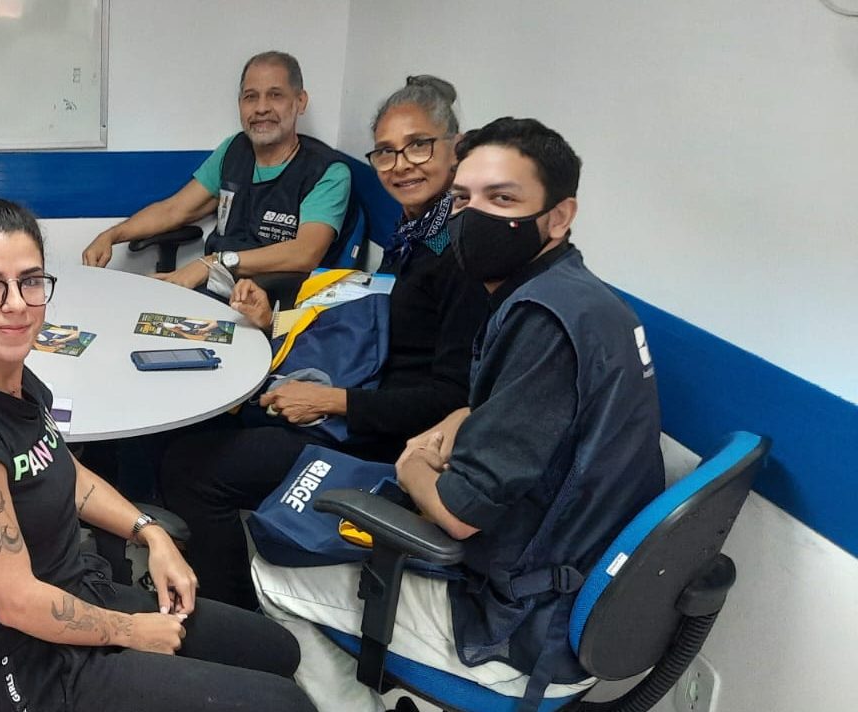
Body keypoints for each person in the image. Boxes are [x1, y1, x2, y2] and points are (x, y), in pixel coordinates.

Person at [252, 118, 665, 711]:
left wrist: (412, 458)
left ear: (559, 215)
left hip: (522, 629)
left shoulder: (539, 323)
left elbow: (458, 513)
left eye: (503, 199)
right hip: (576, 579)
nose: (474, 217)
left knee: (275, 563)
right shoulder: (578, 298)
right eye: (462, 198)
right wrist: (467, 413)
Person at [0, 199, 313, 712]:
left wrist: (151, 531)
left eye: (30, 281)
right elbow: (16, 602)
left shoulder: (10, 378)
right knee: (285, 705)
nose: (16, 304)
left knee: (277, 650)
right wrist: (133, 631)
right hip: (32, 663)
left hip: (80, 592)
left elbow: (61, 468)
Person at [159, 76, 489, 611]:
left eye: (419, 145)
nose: (401, 164)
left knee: (192, 471)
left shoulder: (463, 255)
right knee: (207, 418)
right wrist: (273, 325)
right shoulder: (415, 235)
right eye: (386, 152)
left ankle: (235, 618)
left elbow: (449, 397)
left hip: (385, 446)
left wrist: (333, 401)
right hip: (363, 402)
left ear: (457, 146)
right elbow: (379, 338)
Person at [81, 51, 352, 298]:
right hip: (216, 288)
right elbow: (175, 210)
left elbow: (305, 253)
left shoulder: (326, 171)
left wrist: (214, 263)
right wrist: (112, 235)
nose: (261, 108)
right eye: (250, 97)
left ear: (300, 101)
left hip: (272, 305)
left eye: (275, 95)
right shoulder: (234, 150)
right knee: (138, 305)